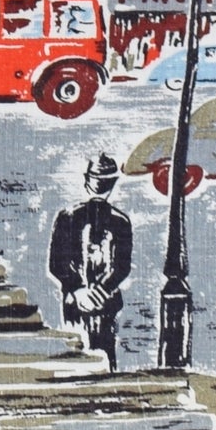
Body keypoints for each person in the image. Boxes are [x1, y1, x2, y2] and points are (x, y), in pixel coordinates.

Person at [48, 154, 134, 370]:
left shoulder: (66, 217)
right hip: (106, 301)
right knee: (104, 355)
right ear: (112, 184)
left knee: (77, 355)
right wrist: (99, 292)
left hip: (76, 301)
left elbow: (56, 264)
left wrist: (78, 290)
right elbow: (121, 268)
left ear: (87, 181)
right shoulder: (121, 222)